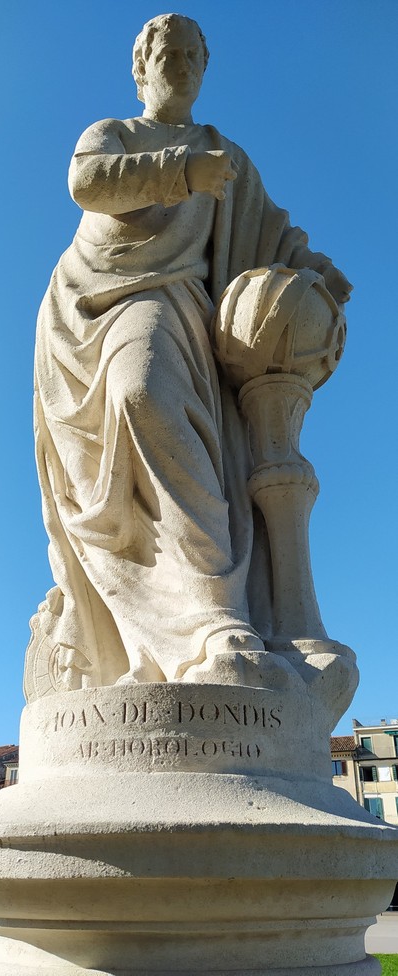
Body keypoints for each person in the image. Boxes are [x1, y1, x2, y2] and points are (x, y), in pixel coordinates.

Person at [26, 14, 352, 696]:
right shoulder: (116, 134)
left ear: (206, 68)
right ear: (140, 69)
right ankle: (186, 617)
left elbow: (269, 231)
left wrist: (312, 266)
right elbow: (88, 182)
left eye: (190, 54)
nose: (178, 63)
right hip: (92, 307)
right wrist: (180, 173)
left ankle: (210, 615)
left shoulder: (225, 157)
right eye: (165, 53)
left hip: (175, 304)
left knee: (148, 394)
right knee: (139, 392)